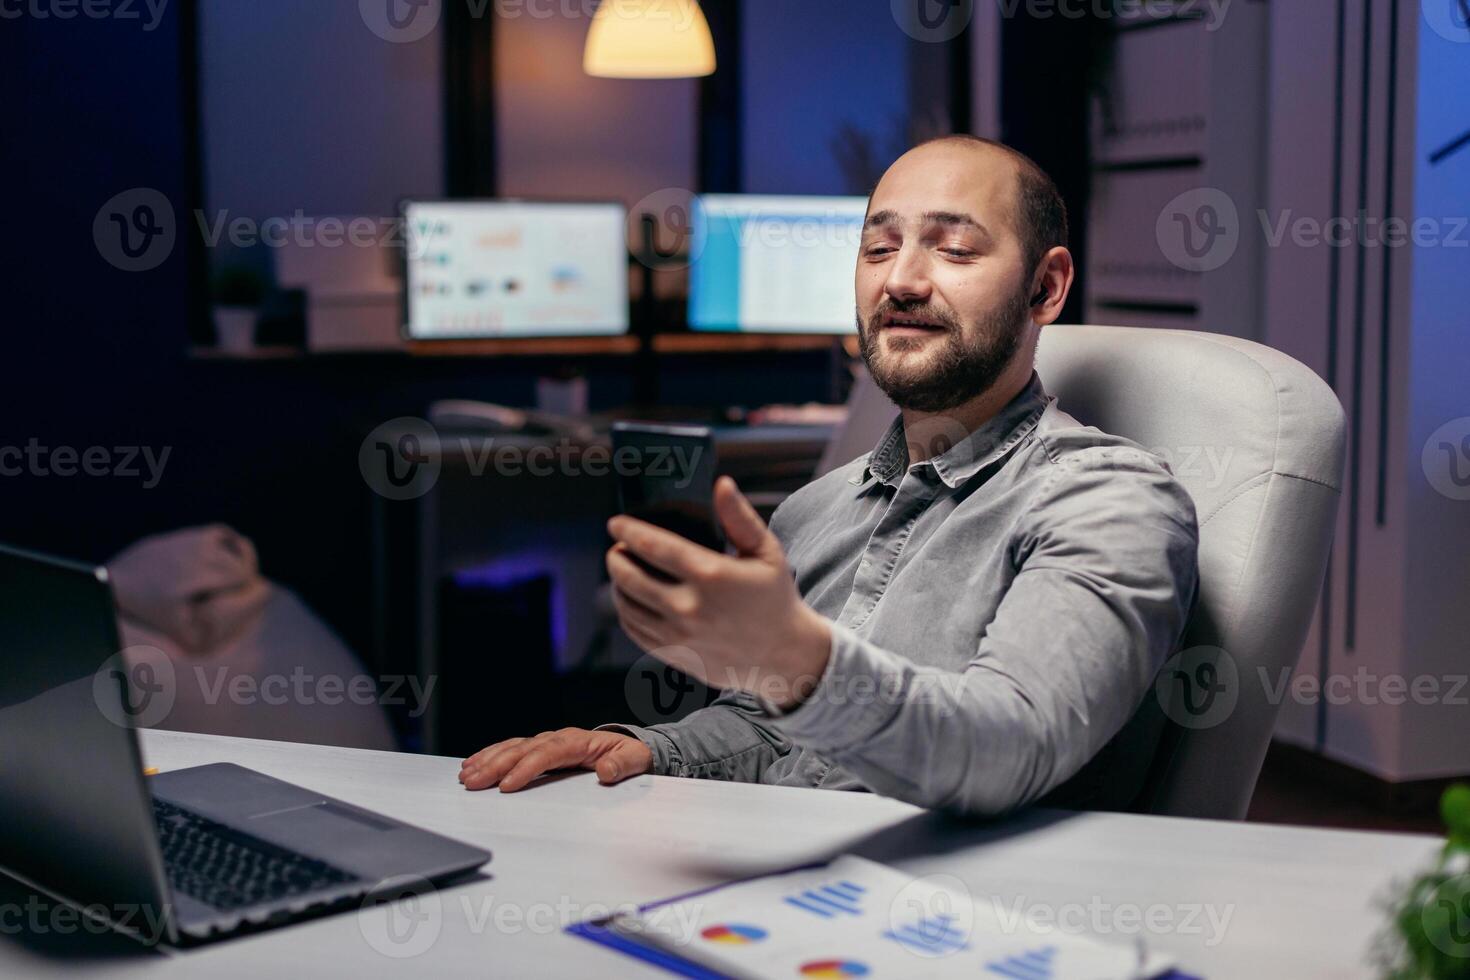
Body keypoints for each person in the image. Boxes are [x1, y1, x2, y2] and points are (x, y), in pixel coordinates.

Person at [459, 136, 1200, 815]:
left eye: (955, 251)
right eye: (878, 249)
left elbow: (1008, 749)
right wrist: (655, 749)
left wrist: (795, 657)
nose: (901, 281)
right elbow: (780, 732)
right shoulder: (817, 510)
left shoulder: (1110, 500)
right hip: (796, 889)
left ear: (1045, 288)